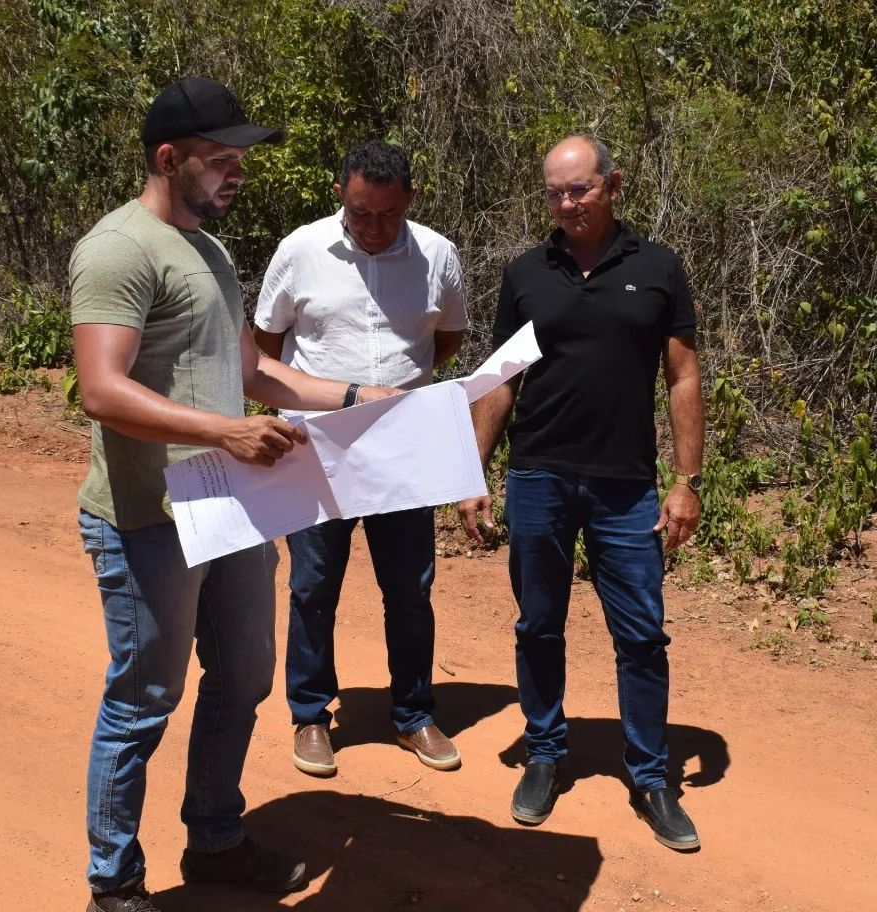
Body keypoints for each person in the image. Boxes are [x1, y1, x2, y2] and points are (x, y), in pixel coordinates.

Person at [70, 78, 395, 912]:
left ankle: (214, 839)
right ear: (167, 158)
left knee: (244, 677)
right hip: (148, 519)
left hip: (230, 511)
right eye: (221, 159)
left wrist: (356, 397)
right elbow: (101, 389)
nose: (237, 173)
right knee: (143, 701)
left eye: (240, 159)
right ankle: (114, 883)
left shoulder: (210, 252)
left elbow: (253, 371)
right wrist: (225, 433)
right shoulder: (119, 249)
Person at [458, 135, 704, 850]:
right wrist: (472, 470)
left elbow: (683, 375)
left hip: (625, 485)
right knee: (539, 623)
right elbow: (501, 378)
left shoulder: (658, 267)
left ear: (612, 185)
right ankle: (544, 753)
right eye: (555, 193)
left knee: (642, 635)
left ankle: (651, 776)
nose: (567, 204)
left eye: (580, 189)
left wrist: (686, 481)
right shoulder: (526, 273)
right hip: (538, 475)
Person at [253, 139, 469, 777]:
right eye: (360, 213)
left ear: (411, 200)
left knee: (410, 588)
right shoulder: (300, 250)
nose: (374, 227)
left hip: (403, 447)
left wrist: (403, 382)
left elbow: (448, 338)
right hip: (318, 448)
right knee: (313, 585)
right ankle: (311, 716)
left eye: (388, 214)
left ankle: (414, 714)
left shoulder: (437, 255)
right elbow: (266, 343)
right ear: (340, 197)